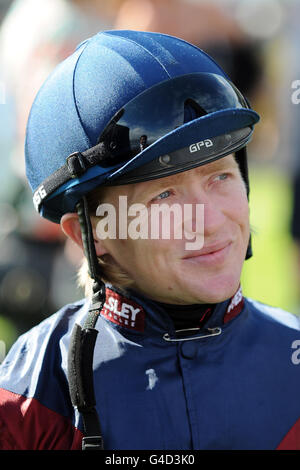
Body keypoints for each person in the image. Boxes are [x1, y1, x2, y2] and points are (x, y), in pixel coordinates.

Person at [0, 29, 300, 451]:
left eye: (220, 176)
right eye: (164, 195)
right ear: (93, 232)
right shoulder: (24, 402)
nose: (210, 222)